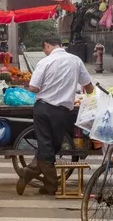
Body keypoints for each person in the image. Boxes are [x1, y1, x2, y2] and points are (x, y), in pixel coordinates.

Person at [19, 36, 94, 196]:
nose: (44, 52)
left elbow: (33, 87)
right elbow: (88, 86)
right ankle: (50, 185)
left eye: (44, 49)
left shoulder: (45, 62)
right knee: (54, 145)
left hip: (43, 109)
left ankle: (29, 173)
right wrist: (93, 101)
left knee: (47, 146)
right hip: (62, 112)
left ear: (46, 45)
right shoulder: (76, 60)